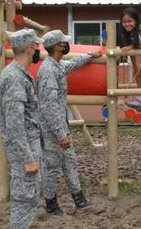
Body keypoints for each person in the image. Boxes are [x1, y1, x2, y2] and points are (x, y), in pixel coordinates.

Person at [37, 30, 102, 215]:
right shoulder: (48, 71)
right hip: (52, 128)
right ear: (58, 46)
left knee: (69, 162)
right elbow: (49, 107)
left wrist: (90, 55)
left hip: (60, 125)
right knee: (50, 166)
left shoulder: (56, 65)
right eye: (64, 43)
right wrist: (60, 134)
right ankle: (51, 206)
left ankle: (80, 200)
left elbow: (72, 64)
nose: (66, 45)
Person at [0, 29, 43, 229]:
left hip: (29, 145)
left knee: (29, 196)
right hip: (24, 150)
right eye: (37, 47)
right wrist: (28, 158)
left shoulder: (19, 73)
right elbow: (14, 124)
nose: (38, 51)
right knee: (25, 198)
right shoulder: (15, 77)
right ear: (30, 48)